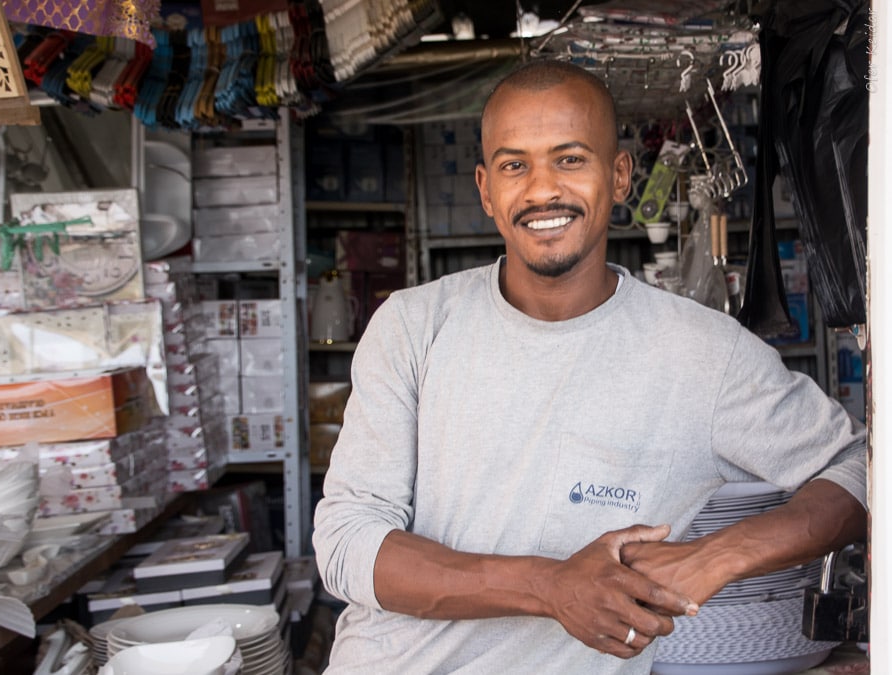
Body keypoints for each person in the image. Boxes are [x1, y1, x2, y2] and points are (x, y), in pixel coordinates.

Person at [312, 60, 867, 674]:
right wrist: (549, 586)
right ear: (485, 190)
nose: (542, 189)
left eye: (570, 158)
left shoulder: (704, 355)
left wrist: (711, 557)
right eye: (513, 164)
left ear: (620, 175)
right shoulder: (413, 327)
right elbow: (346, 544)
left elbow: (863, 472)